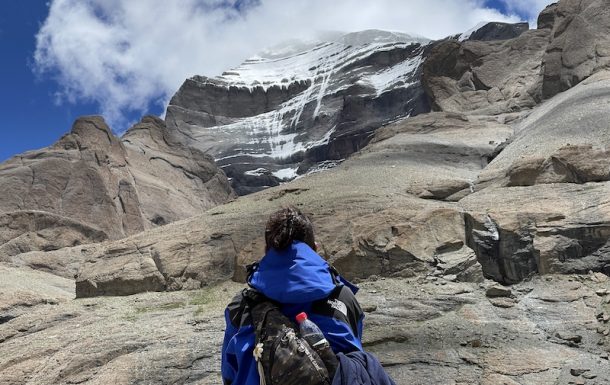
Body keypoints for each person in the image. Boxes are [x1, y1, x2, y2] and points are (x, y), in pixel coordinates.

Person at [221, 207, 364, 385]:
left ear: (267, 251)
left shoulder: (240, 306)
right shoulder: (343, 298)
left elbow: (229, 374)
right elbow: (357, 363)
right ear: (315, 248)